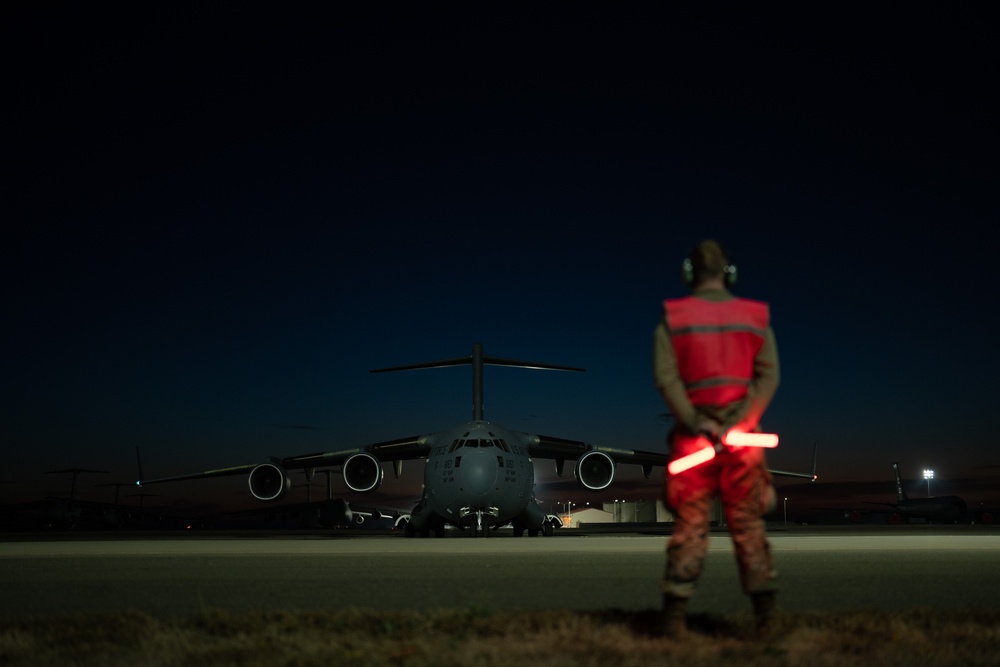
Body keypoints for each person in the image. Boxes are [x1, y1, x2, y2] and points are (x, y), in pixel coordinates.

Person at [652, 239, 781, 638]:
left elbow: (666, 377)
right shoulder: (754, 316)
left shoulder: (674, 317)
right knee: (747, 524)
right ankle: (766, 622)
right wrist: (742, 420)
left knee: (690, 526)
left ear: (689, 272)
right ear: (729, 272)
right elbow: (768, 376)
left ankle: (674, 620)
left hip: (695, 441)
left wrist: (697, 421)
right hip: (743, 442)